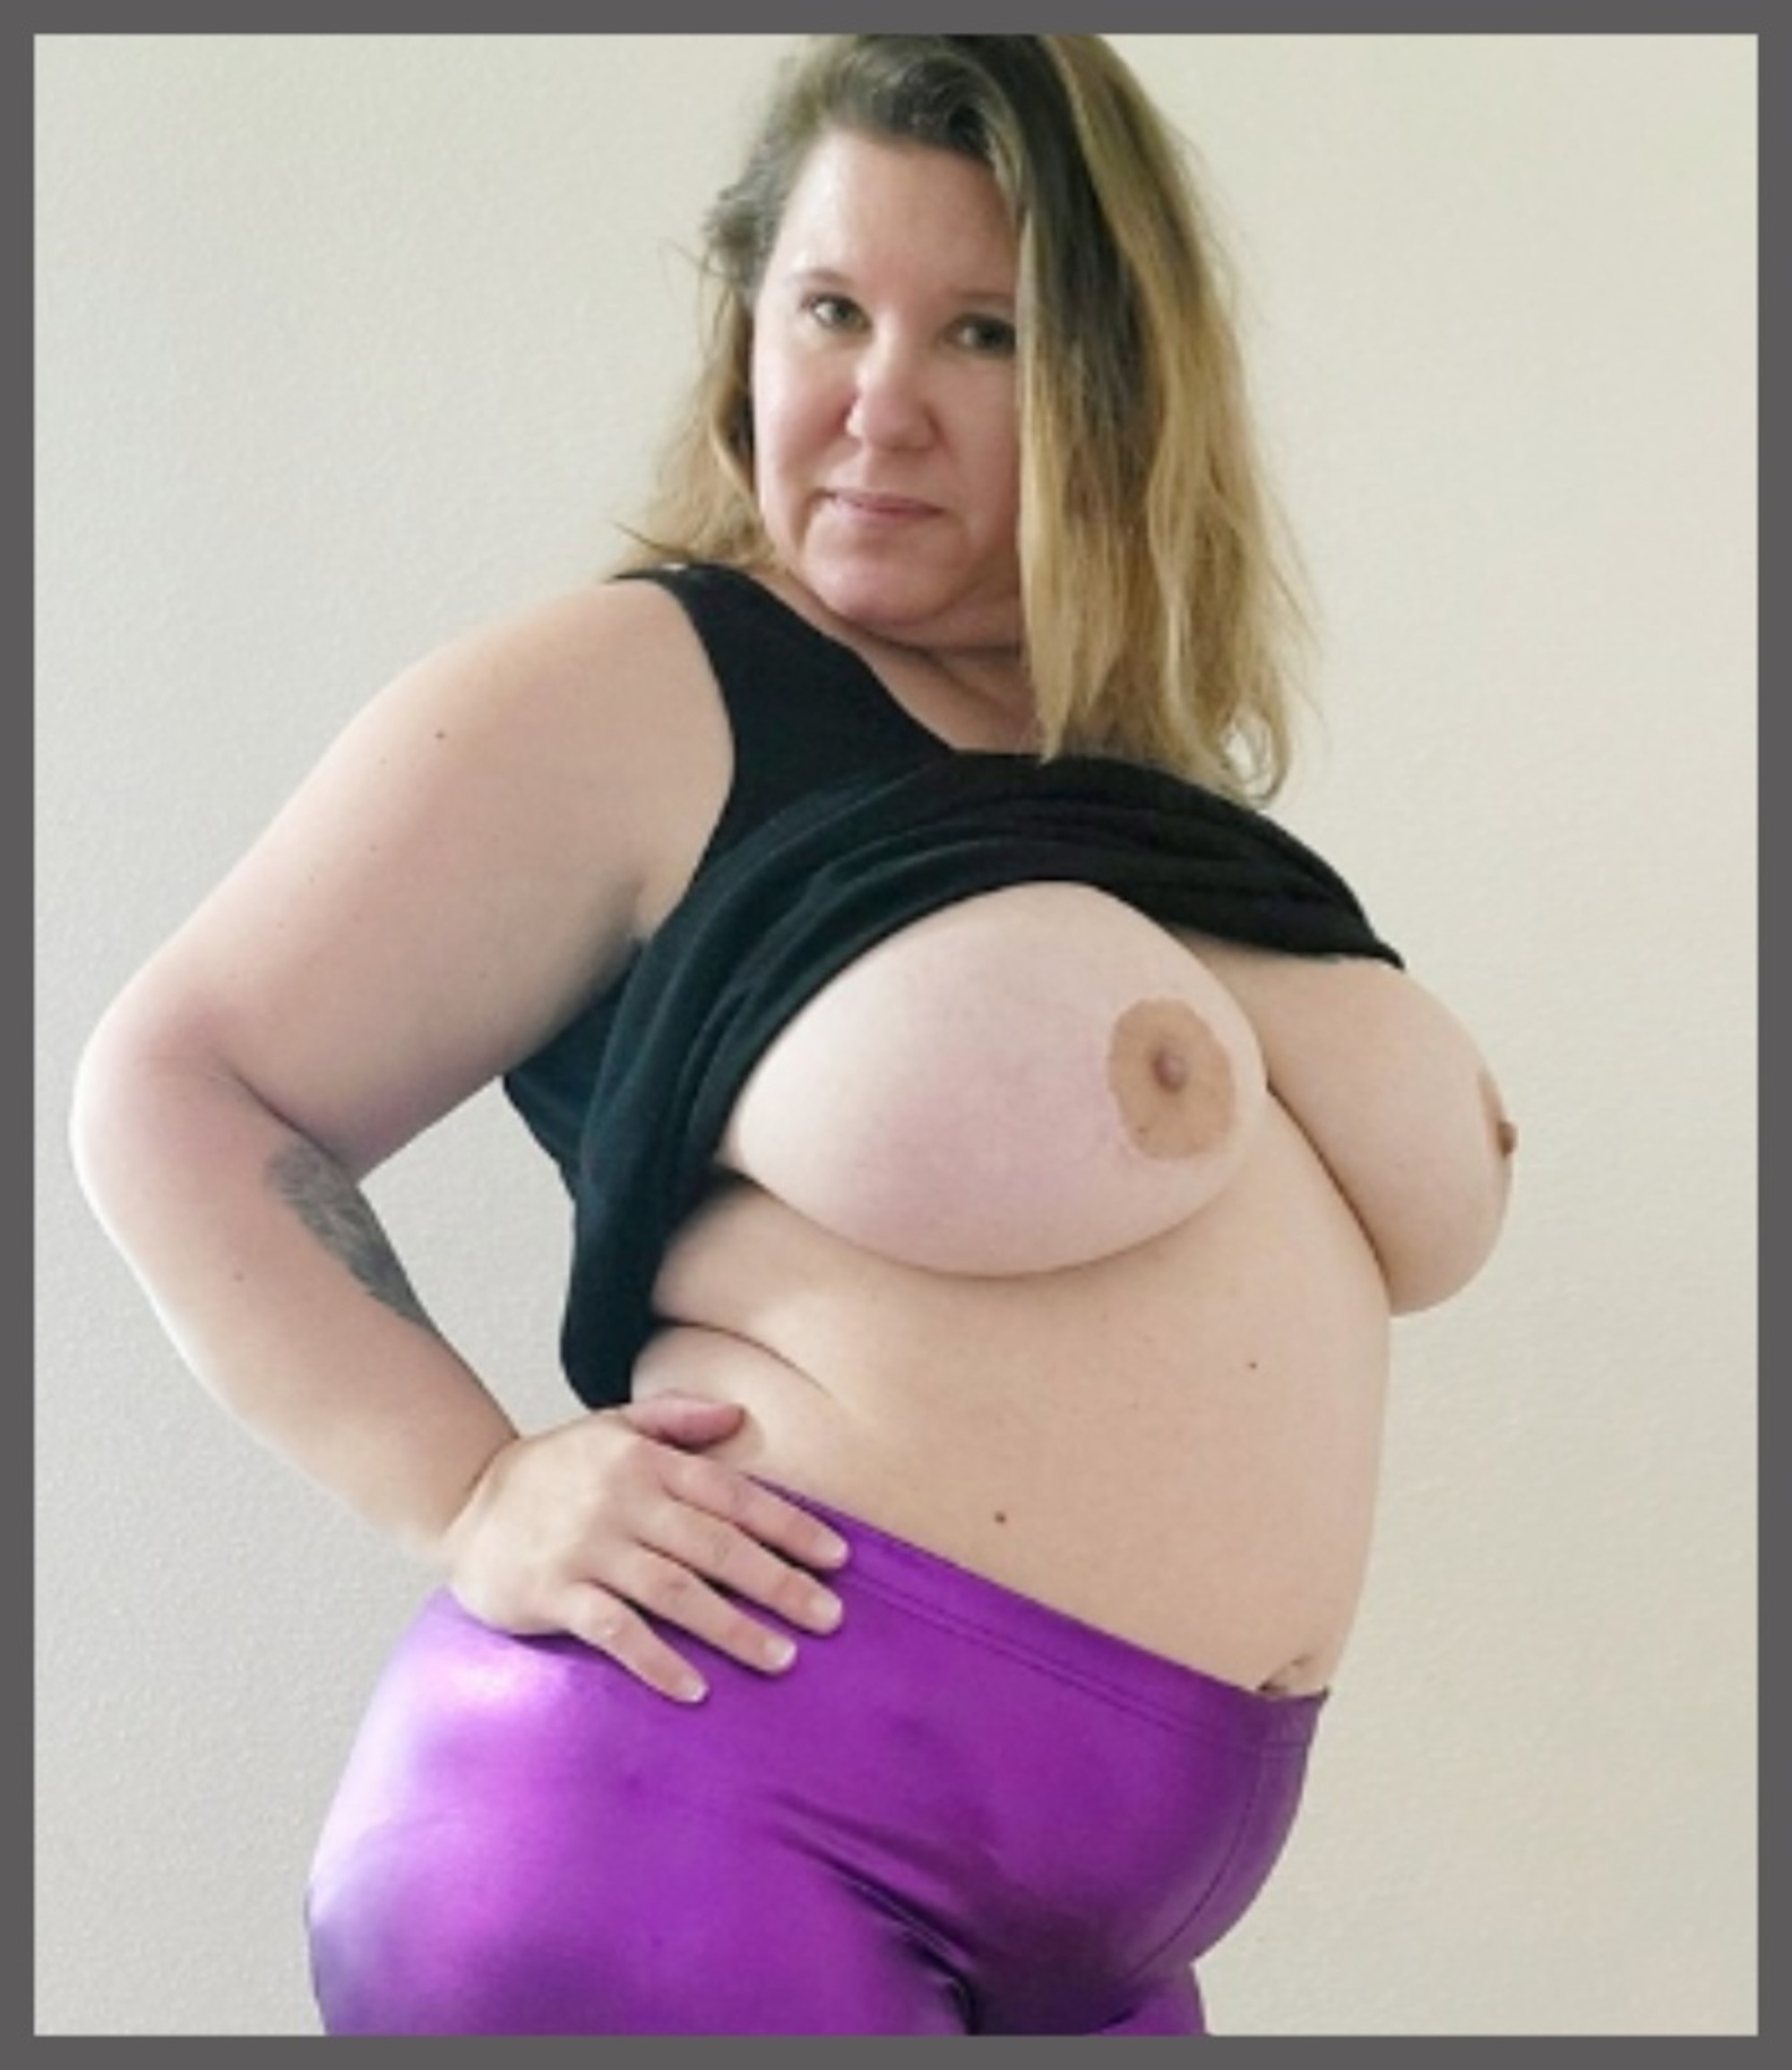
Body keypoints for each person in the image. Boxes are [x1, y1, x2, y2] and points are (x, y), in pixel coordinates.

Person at [69, 34, 1515, 2037]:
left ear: (1117, 380)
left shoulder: (1141, 790)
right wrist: (473, 1487)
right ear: (744, 325)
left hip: (1100, 1946)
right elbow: (178, 1086)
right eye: (831, 309)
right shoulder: (651, 684)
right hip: (689, 1832)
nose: (876, 404)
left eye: (983, 332)